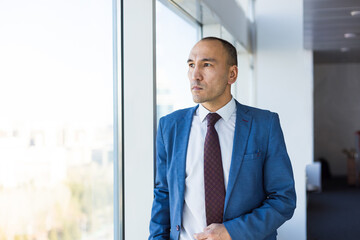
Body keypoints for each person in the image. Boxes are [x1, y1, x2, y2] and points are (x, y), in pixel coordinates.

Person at [149, 37, 296, 240]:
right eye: (191, 65)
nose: (195, 75)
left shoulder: (264, 124)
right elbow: (163, 195)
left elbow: (283, 199)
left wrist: (231, 231)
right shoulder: (170, 126)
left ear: (232, 74)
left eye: (206, 65)